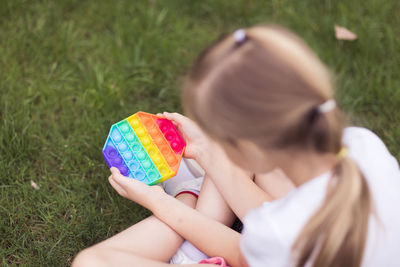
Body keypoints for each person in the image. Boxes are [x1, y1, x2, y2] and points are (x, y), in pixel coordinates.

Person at [72, 25, 400, 267]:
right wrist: (208, 152)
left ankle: (189, 253)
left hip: (264, 255)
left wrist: (161, 203)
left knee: (90, 261)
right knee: (224, 174)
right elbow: (278, 222)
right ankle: (196, 199)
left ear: (253, 148)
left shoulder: (276, 233)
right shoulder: (361, 144)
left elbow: (240, 251)